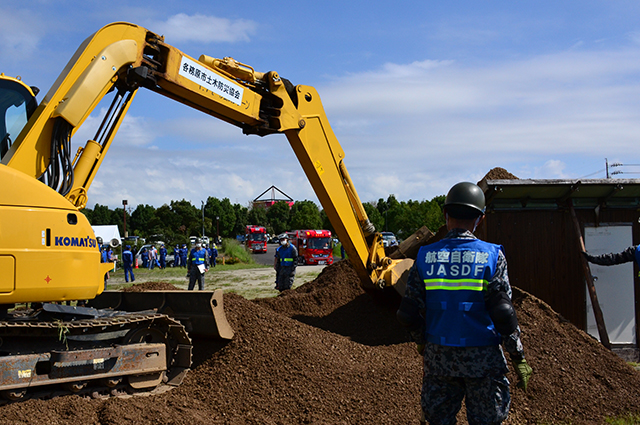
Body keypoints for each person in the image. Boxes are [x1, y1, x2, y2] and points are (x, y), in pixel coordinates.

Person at [396, 182, 532, 425]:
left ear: (446, 215)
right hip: (484, 361)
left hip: (439, 360)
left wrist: (421, 342)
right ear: (479, 218)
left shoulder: (425, 255)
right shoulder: (492, 256)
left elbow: (408, 312)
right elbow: (503, 313)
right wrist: (517, 355)